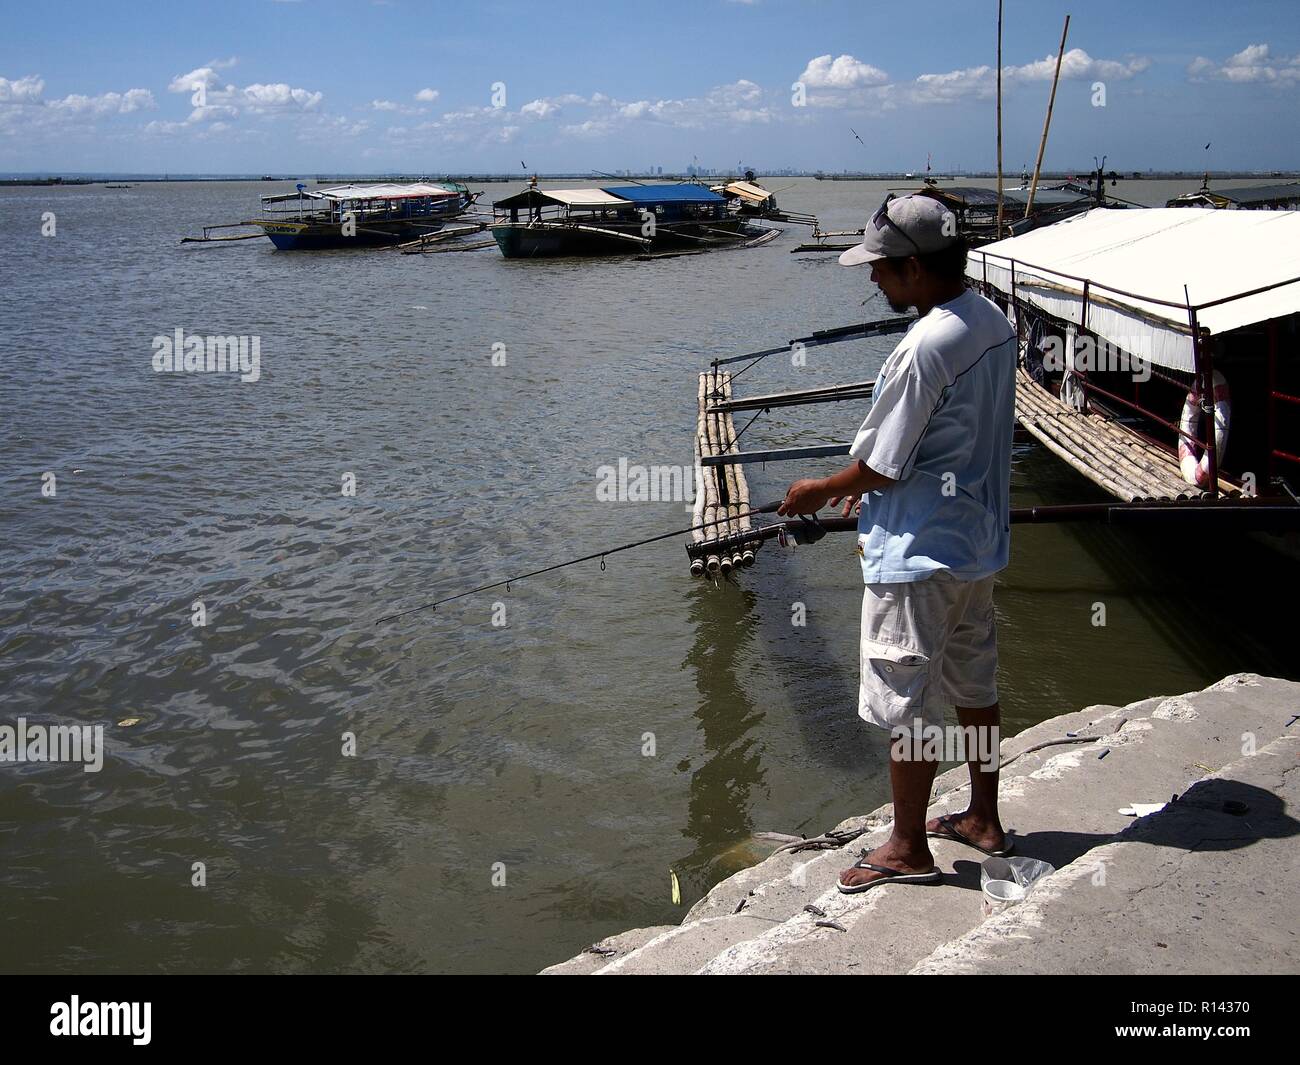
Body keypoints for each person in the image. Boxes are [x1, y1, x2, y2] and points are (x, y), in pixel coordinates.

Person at [777, 194, 1018, 893]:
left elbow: (883, 462)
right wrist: (873, 478)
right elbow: (938, 438)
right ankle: (983, 816)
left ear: (914, 266)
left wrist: (821, 487)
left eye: (881, 268)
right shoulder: (990, 319)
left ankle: (908, 845)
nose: (873, 280)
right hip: (975, 546)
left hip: (917, 555)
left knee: (903, 701)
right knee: (974, 684)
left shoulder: (924, 345)